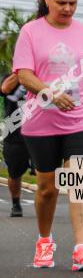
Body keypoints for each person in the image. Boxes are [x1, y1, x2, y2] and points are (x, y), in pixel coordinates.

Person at [13, 0, 83, 271]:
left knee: (79, 181)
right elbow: (23, 74)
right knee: (47, 188)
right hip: (41, 122)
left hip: (79, 118)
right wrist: (49, 93)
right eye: (61, 2)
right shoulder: (31, 32)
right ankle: (44, 242)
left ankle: (81, 250)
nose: (68, 9)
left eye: (73, 3)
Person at [1, 72, 33, 217]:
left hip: (40, 130)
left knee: (47, 170)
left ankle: (47, 202)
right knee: (14, 173)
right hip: (14, 132)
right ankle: (16, 204)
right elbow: (4, 89)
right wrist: (19, 73)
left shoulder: (43, 76)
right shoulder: (10, 78)